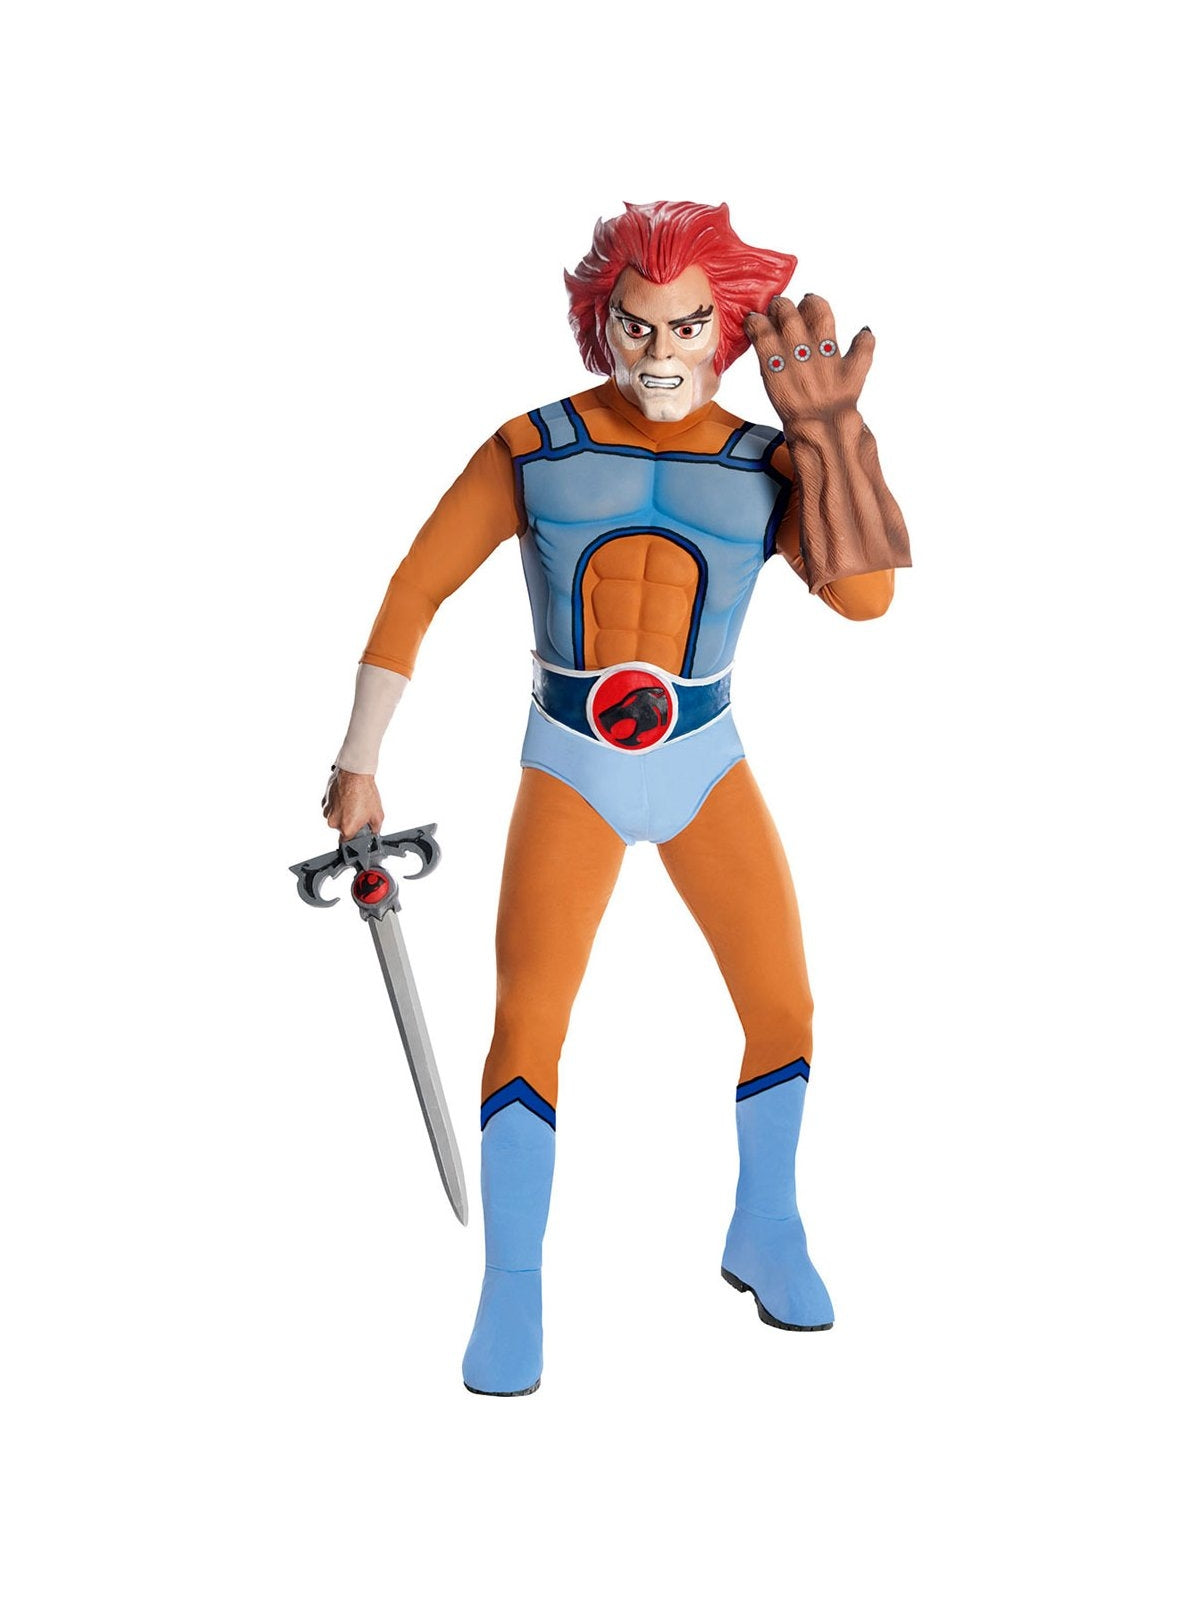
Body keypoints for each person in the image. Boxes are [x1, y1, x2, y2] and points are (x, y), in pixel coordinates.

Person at [323, 201, 910, 1395]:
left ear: (725, 330)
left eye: (688, 326)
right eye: (638, 326)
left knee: (783, 1002)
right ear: (602, 325)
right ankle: (512, 1284)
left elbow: (867, 605)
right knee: (530, 1019)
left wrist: (836, 439)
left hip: (704, 757)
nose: (661, 351)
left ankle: (767, 1225)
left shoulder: (768, 461)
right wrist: (358, 756)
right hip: (572, 762)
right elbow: (417, 585)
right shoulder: (530, 447)